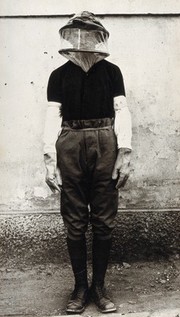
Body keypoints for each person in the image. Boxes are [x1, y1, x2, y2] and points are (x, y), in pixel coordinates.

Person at [43, 11, 132, 314]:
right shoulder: (58, 76)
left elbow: (122, 111)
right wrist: (49, 159)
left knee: (104, 219)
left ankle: (100, 287)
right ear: (69, 37)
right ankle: (80, 287)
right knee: (74, 220)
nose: (83, 42)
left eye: (89, 35)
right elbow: (52, 117)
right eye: (78, 34)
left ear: (99, 38)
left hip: (106, 141)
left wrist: (125, 152)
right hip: (70, 142)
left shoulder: (112, 72)